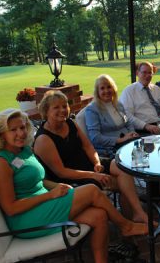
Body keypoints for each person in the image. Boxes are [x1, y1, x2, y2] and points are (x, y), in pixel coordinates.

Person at [0, 109, 147, 263]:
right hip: (26, 219)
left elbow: (38, 181)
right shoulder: (2, 162)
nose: (20, 133)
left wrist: (57, 186)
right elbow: (11, 208)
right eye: (13, 130)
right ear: (2, 134)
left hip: (44, 204)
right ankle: (126, 226)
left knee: (99, 216)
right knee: (91, 190)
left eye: (22, 127)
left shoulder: (24, 150)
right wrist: (49, 195)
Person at [33, 90, 149, 224]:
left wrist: (96, 162)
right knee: (122, 185)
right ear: (46, 111)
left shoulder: (70, 123)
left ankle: (137, 214)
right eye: (56, 107)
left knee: (122, 169)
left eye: (65, 106)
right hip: (69, 178)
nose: (63, 110)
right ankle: (126, 223)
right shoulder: (43, 139)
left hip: (88, 165)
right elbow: (61, 171)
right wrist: (94, 175)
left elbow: (88, 147)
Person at [85, 74, 139, 157]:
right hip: (111, 149)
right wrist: (120, 140)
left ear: (113, 89)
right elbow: (95, 138)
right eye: (102, 88)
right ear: (97, 92)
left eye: (109, 87)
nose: (106, 91)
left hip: (128, 142)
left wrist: (132, 132)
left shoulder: (118, 104)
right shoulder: (92, 109)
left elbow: (127, 122)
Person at [119, 61, 160, 135]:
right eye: (144, 72)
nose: (147, 75)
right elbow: (127, 115)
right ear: (137, 73)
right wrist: (146, 126)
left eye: (150, 73)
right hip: (143, 130)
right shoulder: (129, 91)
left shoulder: (157, 89)